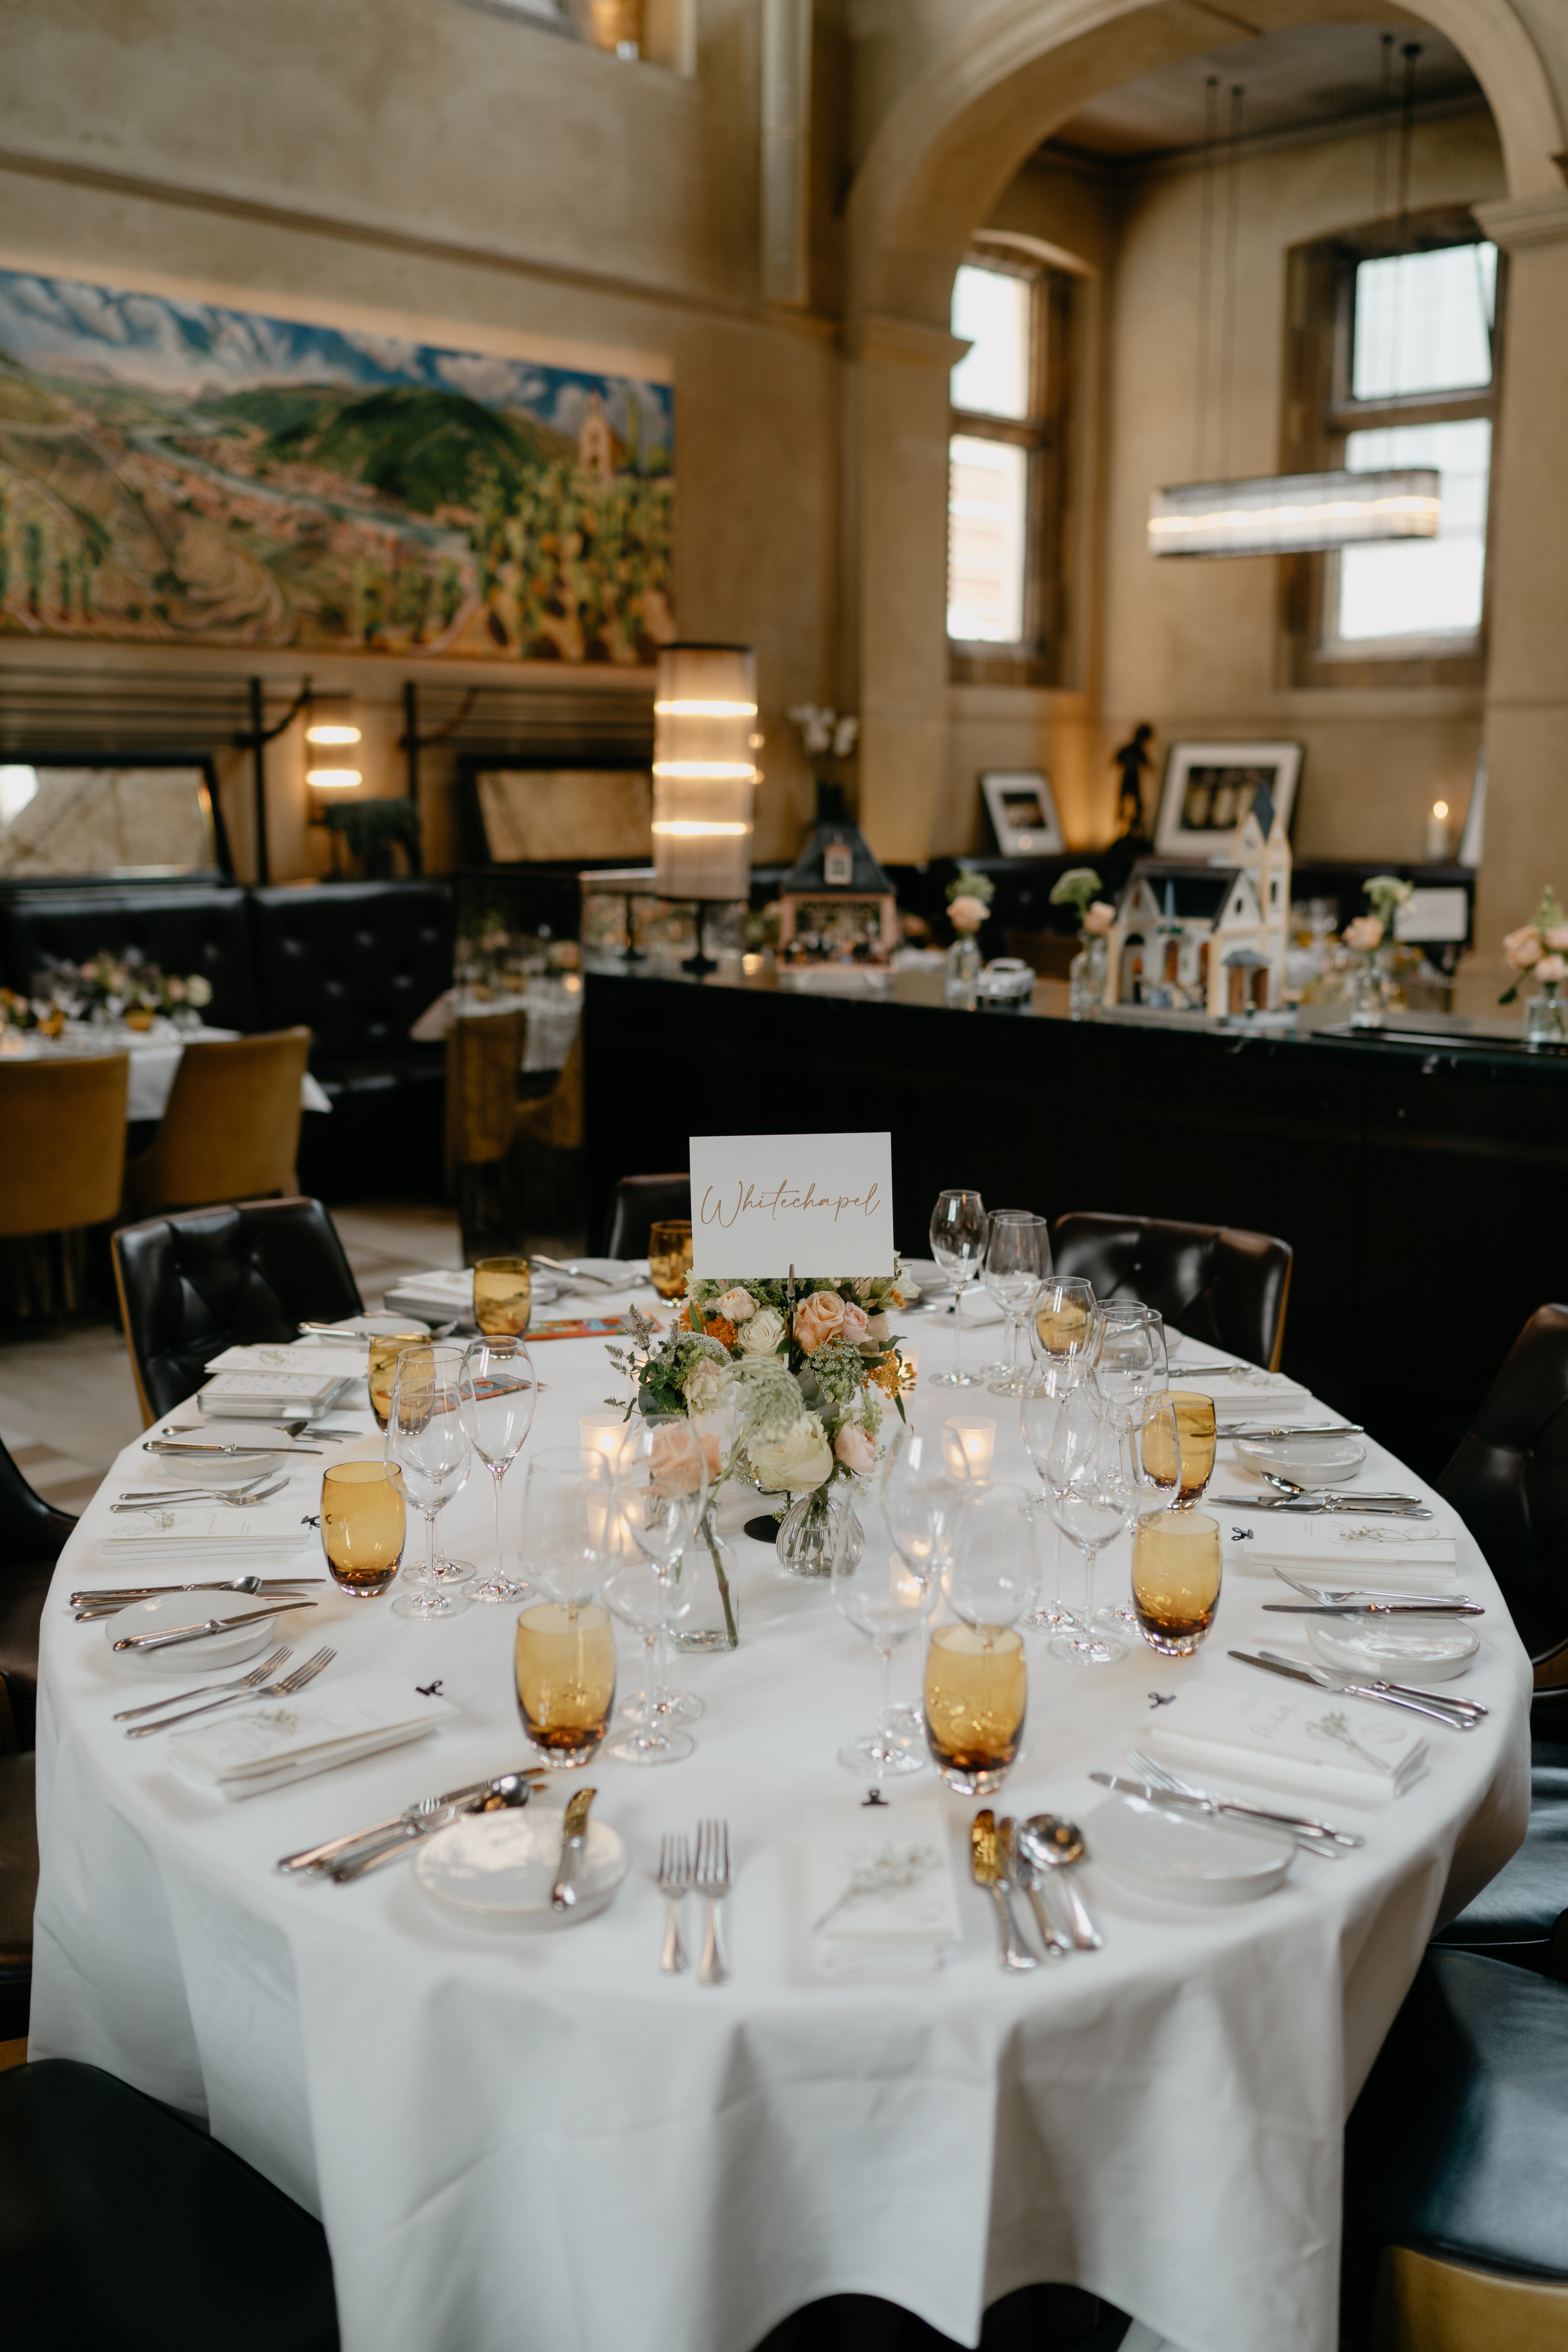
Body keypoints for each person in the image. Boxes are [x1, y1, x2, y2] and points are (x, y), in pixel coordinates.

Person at [1112, 724, 1154, 838]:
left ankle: (1134, 830)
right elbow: (1116, 761)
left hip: (1133, 782)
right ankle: (1123, 831)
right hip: (1129, 782)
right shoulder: (1130, 750)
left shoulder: (1132, 750)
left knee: (1136, 807)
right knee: (1125, 807)